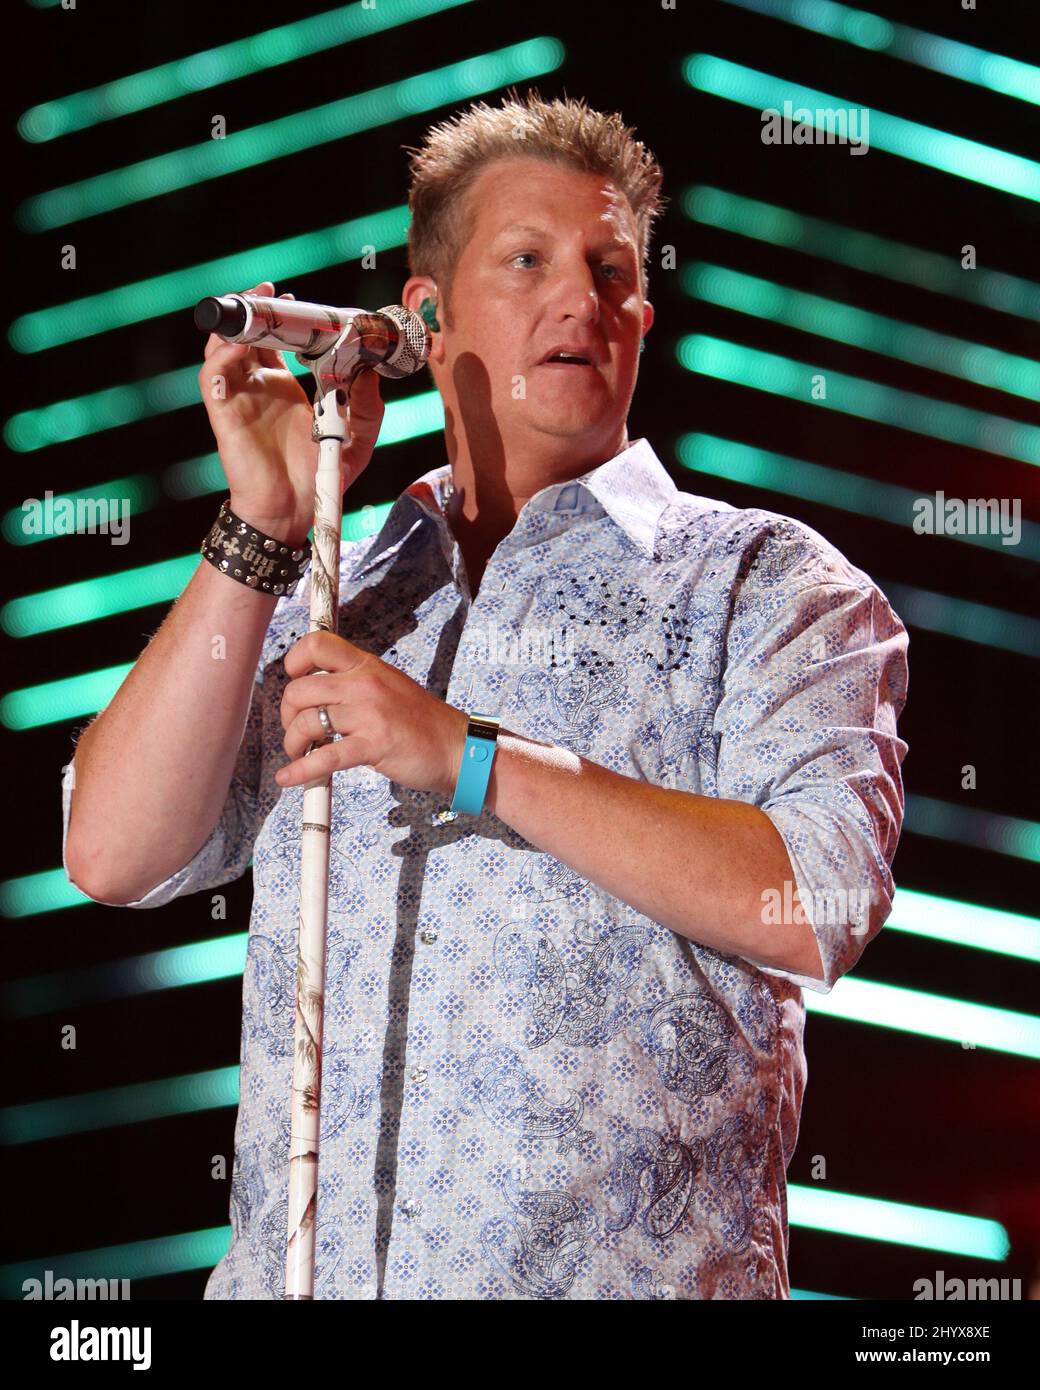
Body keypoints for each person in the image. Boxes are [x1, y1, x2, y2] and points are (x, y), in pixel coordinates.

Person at [62, 90, 909, 1300]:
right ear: (423, 315)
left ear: (645, 317)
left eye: (611, 270)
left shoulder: (767, 581)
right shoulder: (324, 595)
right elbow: (109, 851)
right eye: (527, 261)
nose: (582, 299)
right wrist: (262, 524)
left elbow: (817, 898)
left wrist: (465, 754)